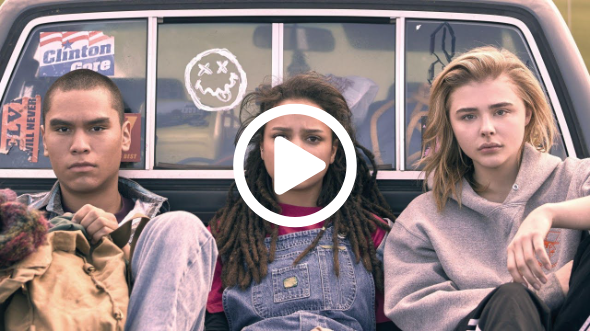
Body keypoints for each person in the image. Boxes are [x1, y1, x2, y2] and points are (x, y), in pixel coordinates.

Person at [383, 46, 590, 331]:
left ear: (527, 113)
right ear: (451, 126)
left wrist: (548, 214)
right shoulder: (422, 219)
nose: (487, 128)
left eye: (501, 111)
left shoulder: (575, 178)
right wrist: (548, 291)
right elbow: (414, 308)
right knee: (511, 299)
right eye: (468, 116)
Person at [17, 69, 217, 331]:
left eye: (97, 128)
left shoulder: (164, 235)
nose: (79, 145)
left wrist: (123, 256)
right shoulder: (16, 219)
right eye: (63, 129)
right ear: (44, 139)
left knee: (181, 226)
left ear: (125, 136)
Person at [205, 72, 398, 331]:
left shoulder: (371, 234)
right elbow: (212, 322)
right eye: (281, 137)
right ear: (261, 148)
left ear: (332, 152)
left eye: (313, 138)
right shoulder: (223, 234)